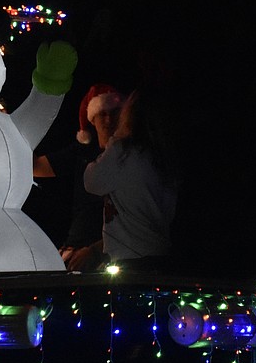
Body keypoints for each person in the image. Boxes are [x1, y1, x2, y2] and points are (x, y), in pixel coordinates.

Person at [82, 75, 181, 267]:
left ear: (129, 115)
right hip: (160, 253)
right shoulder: (164, 156)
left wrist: (113, 141)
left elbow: (91, 181)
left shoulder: (123, 152)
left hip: (130, 256)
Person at [34, 83, 126, 271]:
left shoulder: (129, 157)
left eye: (114, 113)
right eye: (102, 114)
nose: (108, 120)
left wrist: (94, 252)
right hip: (75, 251)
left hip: (112, 256)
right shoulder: (81, 152)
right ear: (92, 119)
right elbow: (35, 166)